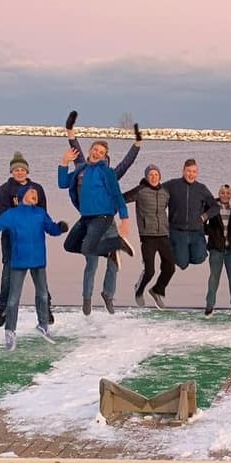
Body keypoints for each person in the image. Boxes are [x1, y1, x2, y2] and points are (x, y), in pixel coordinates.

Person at [0, 186, 68, 350]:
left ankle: (43, 325)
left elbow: (51, 229)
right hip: (19, 261)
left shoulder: (40, 213)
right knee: (12, 300)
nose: (35, 195)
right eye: (31, 193)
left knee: (43, 296)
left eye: (36, 193)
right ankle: (10, 331)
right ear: (22, 196)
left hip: (39, 260)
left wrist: (60, 227)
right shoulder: (12, 215)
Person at [61, 110, 142, 312]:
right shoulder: (81, 167)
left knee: (112, 261)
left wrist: (137, 144)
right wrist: (70, 128)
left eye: (101, 152)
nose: (97, 153)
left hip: (106, 221)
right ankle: (87, 298)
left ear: (105, 158)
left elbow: (127, 163)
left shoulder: (110, 173)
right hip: (88, 219)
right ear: (90, 151)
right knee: (90, 260)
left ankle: (108, 294)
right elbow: (74, 147)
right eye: (95, 150)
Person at [0, 151, 55, 327]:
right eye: (16, 170)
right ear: (11, 172)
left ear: (27, 171)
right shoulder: (4, 190)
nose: (20, 172)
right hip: (11, 241)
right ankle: (4, 308)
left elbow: (42, 213)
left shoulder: (37, 189)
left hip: (34, 241)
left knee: (40, 277)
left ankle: (46, 308)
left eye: (22, 169)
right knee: (8, 274)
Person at [122, 164, 174, 309]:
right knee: (150, 271)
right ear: (146, 177)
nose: (153, 177)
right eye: (151, 175)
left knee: (170, 267)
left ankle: (157, 290)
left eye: (156, 175)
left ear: (160, 177)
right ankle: (139, 290)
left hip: (163, 234)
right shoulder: (140, 191)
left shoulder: (165, 192)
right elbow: (122, 199)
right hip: (147, 236)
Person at [163, 158, 219, 282]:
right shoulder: (172, 185)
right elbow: (156, 191)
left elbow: (215, 207)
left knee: (199, 258)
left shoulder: (201, 188)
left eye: (194, 171)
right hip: (177, 230)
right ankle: (174, 249)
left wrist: (204, 217)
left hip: (196, 231)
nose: (191, 174)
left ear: (197, 173)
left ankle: (189, 250)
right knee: (182, 264)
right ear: (183, 171)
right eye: (188, 171)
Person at [204, 185, 231, 318]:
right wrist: (211, 233)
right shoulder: (212, 206)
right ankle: (209, 307)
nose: (225, 195)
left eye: (228, 193)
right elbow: (203, 223)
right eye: (222, 193)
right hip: (216, 249)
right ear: (219, 194)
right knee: (214, 278)